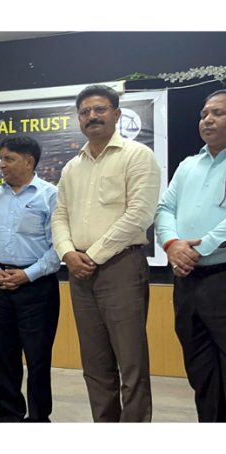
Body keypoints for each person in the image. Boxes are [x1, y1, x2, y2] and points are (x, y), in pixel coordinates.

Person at [51, 85, 160, 422]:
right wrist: (68, 253)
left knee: (132, 364)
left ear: (116, 113)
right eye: (85, 112)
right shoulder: (72, 167)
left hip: (121, 268)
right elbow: (59, 215)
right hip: (79, 271)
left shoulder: (137, 155)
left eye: (99, 110)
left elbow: (140, 214)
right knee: (95, 364)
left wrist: (93, 255)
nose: (92, 117)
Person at [155, 89, 226, 422]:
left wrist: (201, 247)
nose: (208, 119)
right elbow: (165, 208)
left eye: (217, 113)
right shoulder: (188, 166)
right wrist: (173, 245)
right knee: (200, 369)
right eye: (203, 114)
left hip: (222, 276)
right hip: (186, 281)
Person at [0, 136, 60, 422]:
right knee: (3, 360)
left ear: (29, 161)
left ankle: (38, 420)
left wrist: (28, 274)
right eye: (0, 158)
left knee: (38, 360)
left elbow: (58, 246)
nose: (1, 165)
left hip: (38, 287)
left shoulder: (50, 195)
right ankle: (9, 419)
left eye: (8, 159)